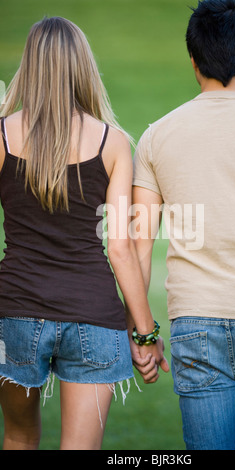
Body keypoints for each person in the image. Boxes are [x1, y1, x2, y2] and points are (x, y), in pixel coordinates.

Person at [131, 0, 235, 450]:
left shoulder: (156, 137)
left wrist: (144, 335)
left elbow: (138, 247)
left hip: (196, 324)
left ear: (193, 60)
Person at [0, 16, 167, 450]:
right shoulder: (113, 143)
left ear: (30, 65)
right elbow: (120, 247)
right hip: (94, 319)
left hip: (13, 313)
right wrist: (146, 335)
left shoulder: (1, 135)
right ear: (83, 67)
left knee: (18, 438)